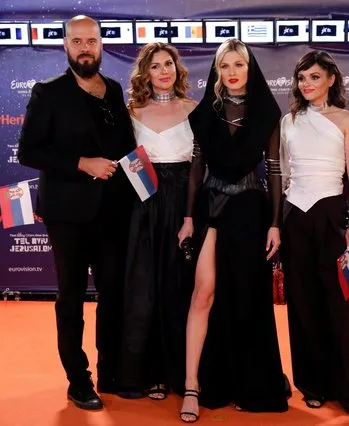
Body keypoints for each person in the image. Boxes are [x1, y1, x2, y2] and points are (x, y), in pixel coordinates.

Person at [17, 15, 135, 410]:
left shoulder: (115, 90)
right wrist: (82, 162)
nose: (86, 47)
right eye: (77, 41)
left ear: (102, 45)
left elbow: (126, 149)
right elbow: (28, 152)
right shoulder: (48, 93)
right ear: (65, 46)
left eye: (92, 40)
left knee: (113, 295)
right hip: (68, 214)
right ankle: (78, 380)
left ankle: (111, 371)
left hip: (114, 212)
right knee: (70, 297)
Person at [177, 38, 288, 422]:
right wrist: (189, 217)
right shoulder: (206, 111)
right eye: (225, 66)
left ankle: (248, 383)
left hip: (251, 211)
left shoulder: (267, 111)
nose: (233, 72)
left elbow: (273, 169)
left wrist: (275, 223)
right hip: (210, 208)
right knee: (203, 294)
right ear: (218, 71)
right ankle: (193, 385)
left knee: (246, 298)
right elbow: (197, 166)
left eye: (239, 64)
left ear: (250, 67)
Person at [278, 50, 349, 416]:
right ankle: (312, 384)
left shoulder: (348, 120)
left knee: (341, 304)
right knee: (302, 304)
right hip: (295, 217)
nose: (307, 84)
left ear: (331, 79)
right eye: (302, 78)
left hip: (333, 214)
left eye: (314, 77)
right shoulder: (288, 121)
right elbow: (284, 175)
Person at [116, 43, 197, 401]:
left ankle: (183, 375)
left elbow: (203, 168)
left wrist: (193, 214)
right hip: (143, 206)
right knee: (143, 289)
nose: (163, 71)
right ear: (145, 74)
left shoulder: (196, 110)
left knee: (180, 288)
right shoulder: (129, 111)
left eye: (169, 64)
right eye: (155, 66)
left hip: (185, 206)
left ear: (178, 70)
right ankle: (145, 374)